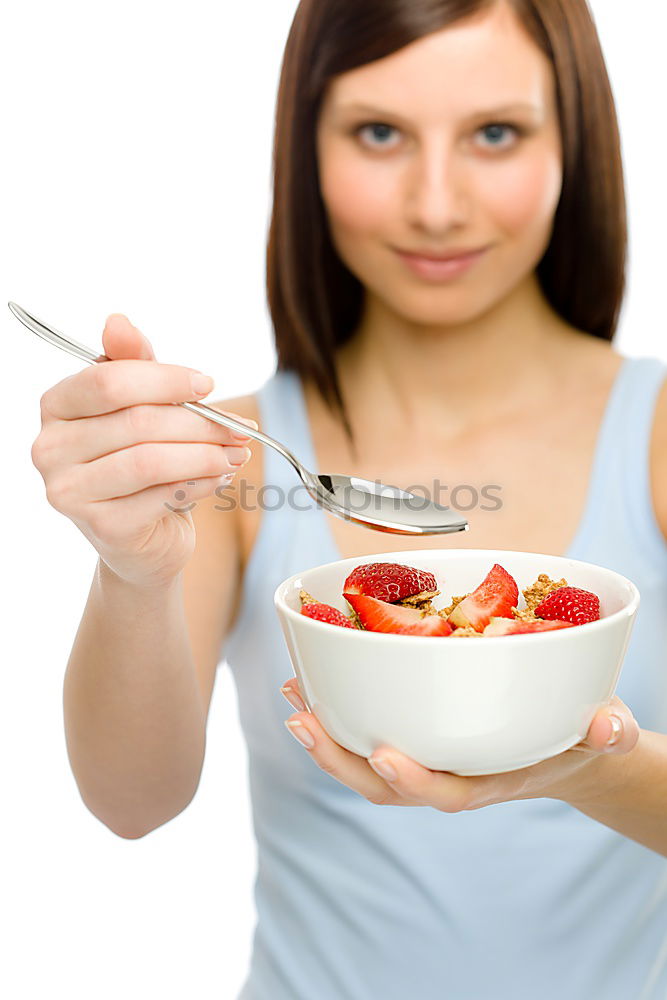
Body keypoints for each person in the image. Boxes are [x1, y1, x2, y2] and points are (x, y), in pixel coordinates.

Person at [30, 0, 667, 997]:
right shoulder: (228, 460)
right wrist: (132, 573)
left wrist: (583, 766)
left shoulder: (660, 432)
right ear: (305, 145)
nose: (436, 203)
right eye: (379, 132)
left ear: (572, 141)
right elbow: (130, 802)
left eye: (494, 132)